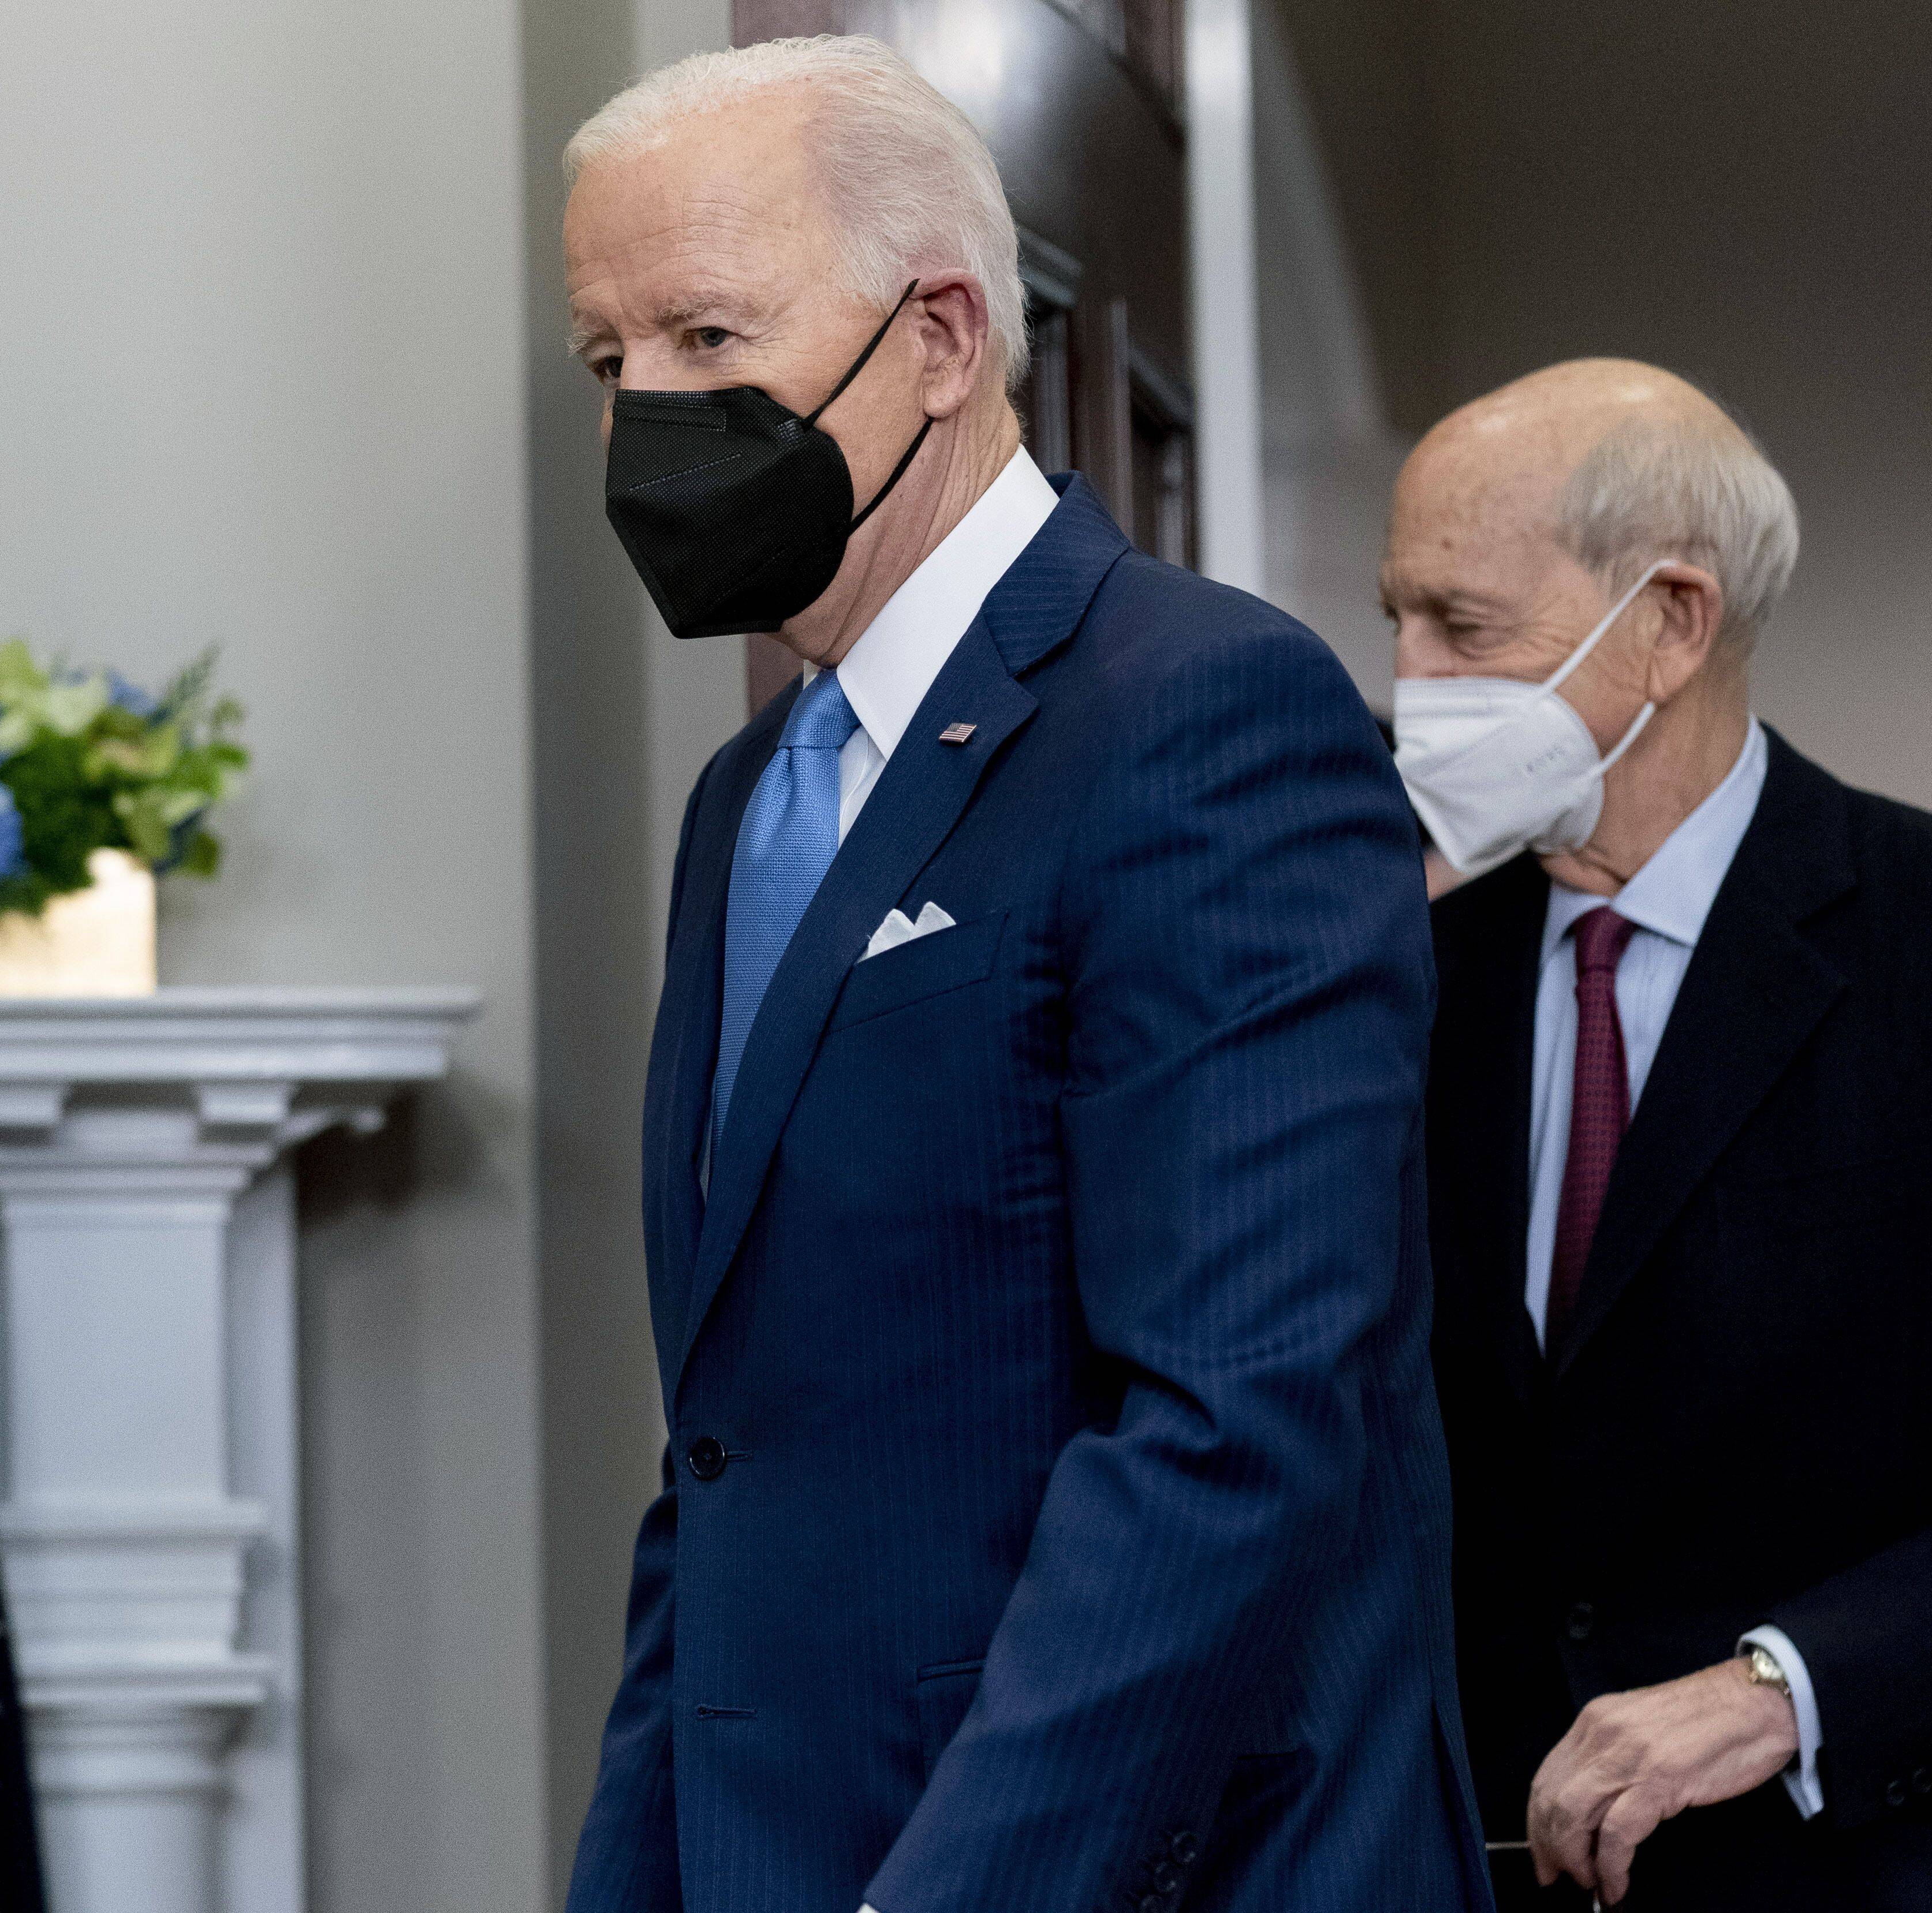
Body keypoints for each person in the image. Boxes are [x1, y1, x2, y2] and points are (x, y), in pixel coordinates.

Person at [561, 36, 1489, 1913]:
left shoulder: (1205, 712)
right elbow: (730, 1458)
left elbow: (1236, 1422)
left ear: (939, 336)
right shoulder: (749, 797)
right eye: (606, 360)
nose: (644, 413)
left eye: (707, 337)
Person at [1385, 357, 1932, 1910]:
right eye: (1394, 616)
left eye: (1459, 625)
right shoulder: (1410, 971)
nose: (1407, 677)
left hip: (1897, 1870)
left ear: (1669, 621)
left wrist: (1783, 1687)